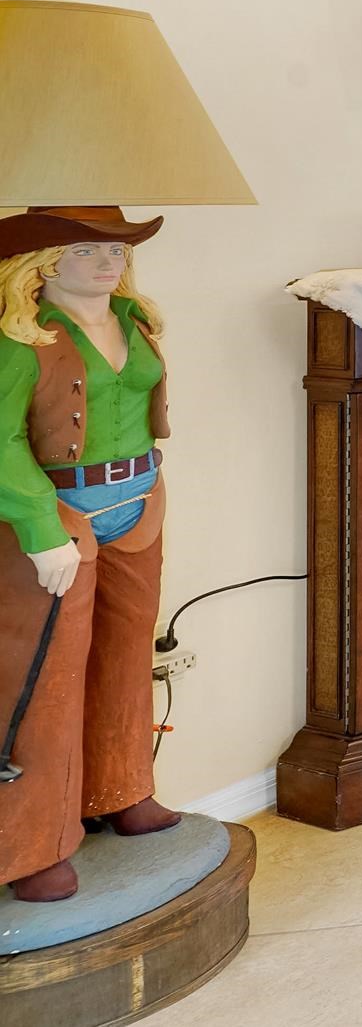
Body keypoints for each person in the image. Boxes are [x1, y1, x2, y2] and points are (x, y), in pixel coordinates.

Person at [0, 207, 180, 901]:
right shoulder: (23, 338)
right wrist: (39, 526)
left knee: (126, 655)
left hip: (138, 503)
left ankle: (122, 787)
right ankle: (34, 842)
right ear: (44, 261)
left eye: (114, 247)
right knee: (45, 682)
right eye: (86, 248)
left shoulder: (132, 319)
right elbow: (4, 442)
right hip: (59, 514)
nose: (107, 261)